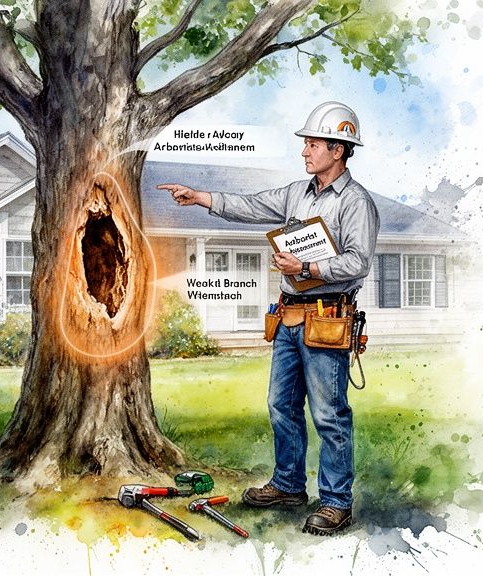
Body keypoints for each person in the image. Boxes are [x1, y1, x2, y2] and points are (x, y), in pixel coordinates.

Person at [157, 101, 380, 536]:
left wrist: (308, 269)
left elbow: (358, 262)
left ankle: (336, 502)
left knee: (330, 414)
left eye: (313, 144)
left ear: (338, 149)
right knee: (281, 406)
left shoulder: (356, 203)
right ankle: (288, 485)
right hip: (288, 318)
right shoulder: (298, 192)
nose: (305, 151)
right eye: (307, 144)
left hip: (327, 319)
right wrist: (200, 197)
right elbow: (253, 205)